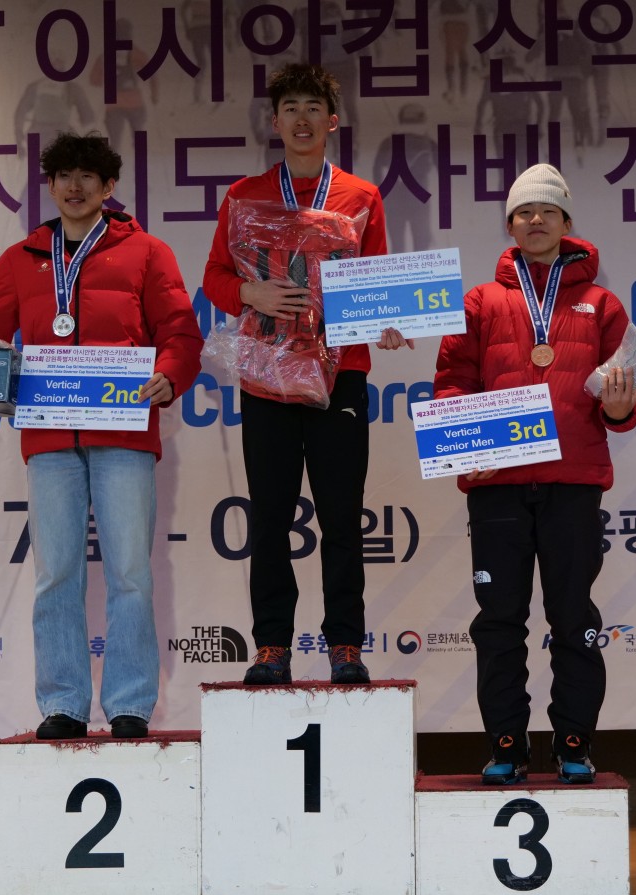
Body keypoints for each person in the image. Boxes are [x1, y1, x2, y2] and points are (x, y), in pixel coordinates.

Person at [0, 131, 203, 740]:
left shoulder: (147, 252)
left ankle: (129, 704)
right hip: (50, 441)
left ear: (109, 187)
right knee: (55, 575)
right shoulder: (21, 258)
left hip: (124, 434)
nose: (75, 187)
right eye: (64, 177)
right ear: (50, 186)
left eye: (88, 177)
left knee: (130, 572)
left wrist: (170, 374)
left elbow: (181, 330)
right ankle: (64, 703)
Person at [434, 163, 636, 785]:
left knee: (574, 616)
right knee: (498, 620)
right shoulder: (480, 301)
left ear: (566, 222)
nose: (535, 220)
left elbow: (622, 402)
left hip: (572, 483)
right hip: (496, 486)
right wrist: (462, 441)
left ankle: (574, 741)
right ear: (510, 225)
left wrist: (620, 406)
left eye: (547, 211)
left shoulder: (601, 304)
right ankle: (506, 742)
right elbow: (452, 383)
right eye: (524, 212)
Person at [203, 63, 403, 686]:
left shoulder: (361, 196)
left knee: (342, 516)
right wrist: (251, 292)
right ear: (275, 121)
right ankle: (271, 646)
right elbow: (214, 277)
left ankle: (345, 645)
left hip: (340, 376)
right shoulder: (244, 195)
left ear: (332, 121)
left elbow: (376, 282)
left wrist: (385, 319)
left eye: (313, 108)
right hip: (266, 375)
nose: (301, 119)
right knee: (269, 516)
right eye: (290, 108)